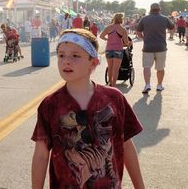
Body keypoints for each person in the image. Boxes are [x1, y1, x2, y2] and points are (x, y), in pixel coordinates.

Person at [31, 28, 144, 189]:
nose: (66, 61)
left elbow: (126, 145)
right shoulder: (50, 104)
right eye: (61, 55)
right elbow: (41, 155)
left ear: (94, 62)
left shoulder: (114, 98)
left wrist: (140, 186)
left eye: (75, 56)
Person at [137, 3, 174, 93]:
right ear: (159, 9)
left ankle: (147, 84)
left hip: (148, 47)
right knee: (160, 68)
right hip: (161, 46)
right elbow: (172, 28)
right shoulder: (165, 18)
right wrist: (168, 33)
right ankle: (159, 85)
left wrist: (144, 38)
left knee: (147, 67)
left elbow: (138, 32)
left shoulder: (144, 19)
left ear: (150, 9)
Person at [100, 13, 131, 87]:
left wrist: (108, 39)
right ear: (121, 19)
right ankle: (113, 85)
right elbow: (126, 42)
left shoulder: (108, 27)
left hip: (109, 49)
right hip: (118, 50)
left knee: (110, 67)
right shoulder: (122, 29)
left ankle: (110, 83)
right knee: (116, 69)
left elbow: (101, 36)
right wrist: (129, 44)